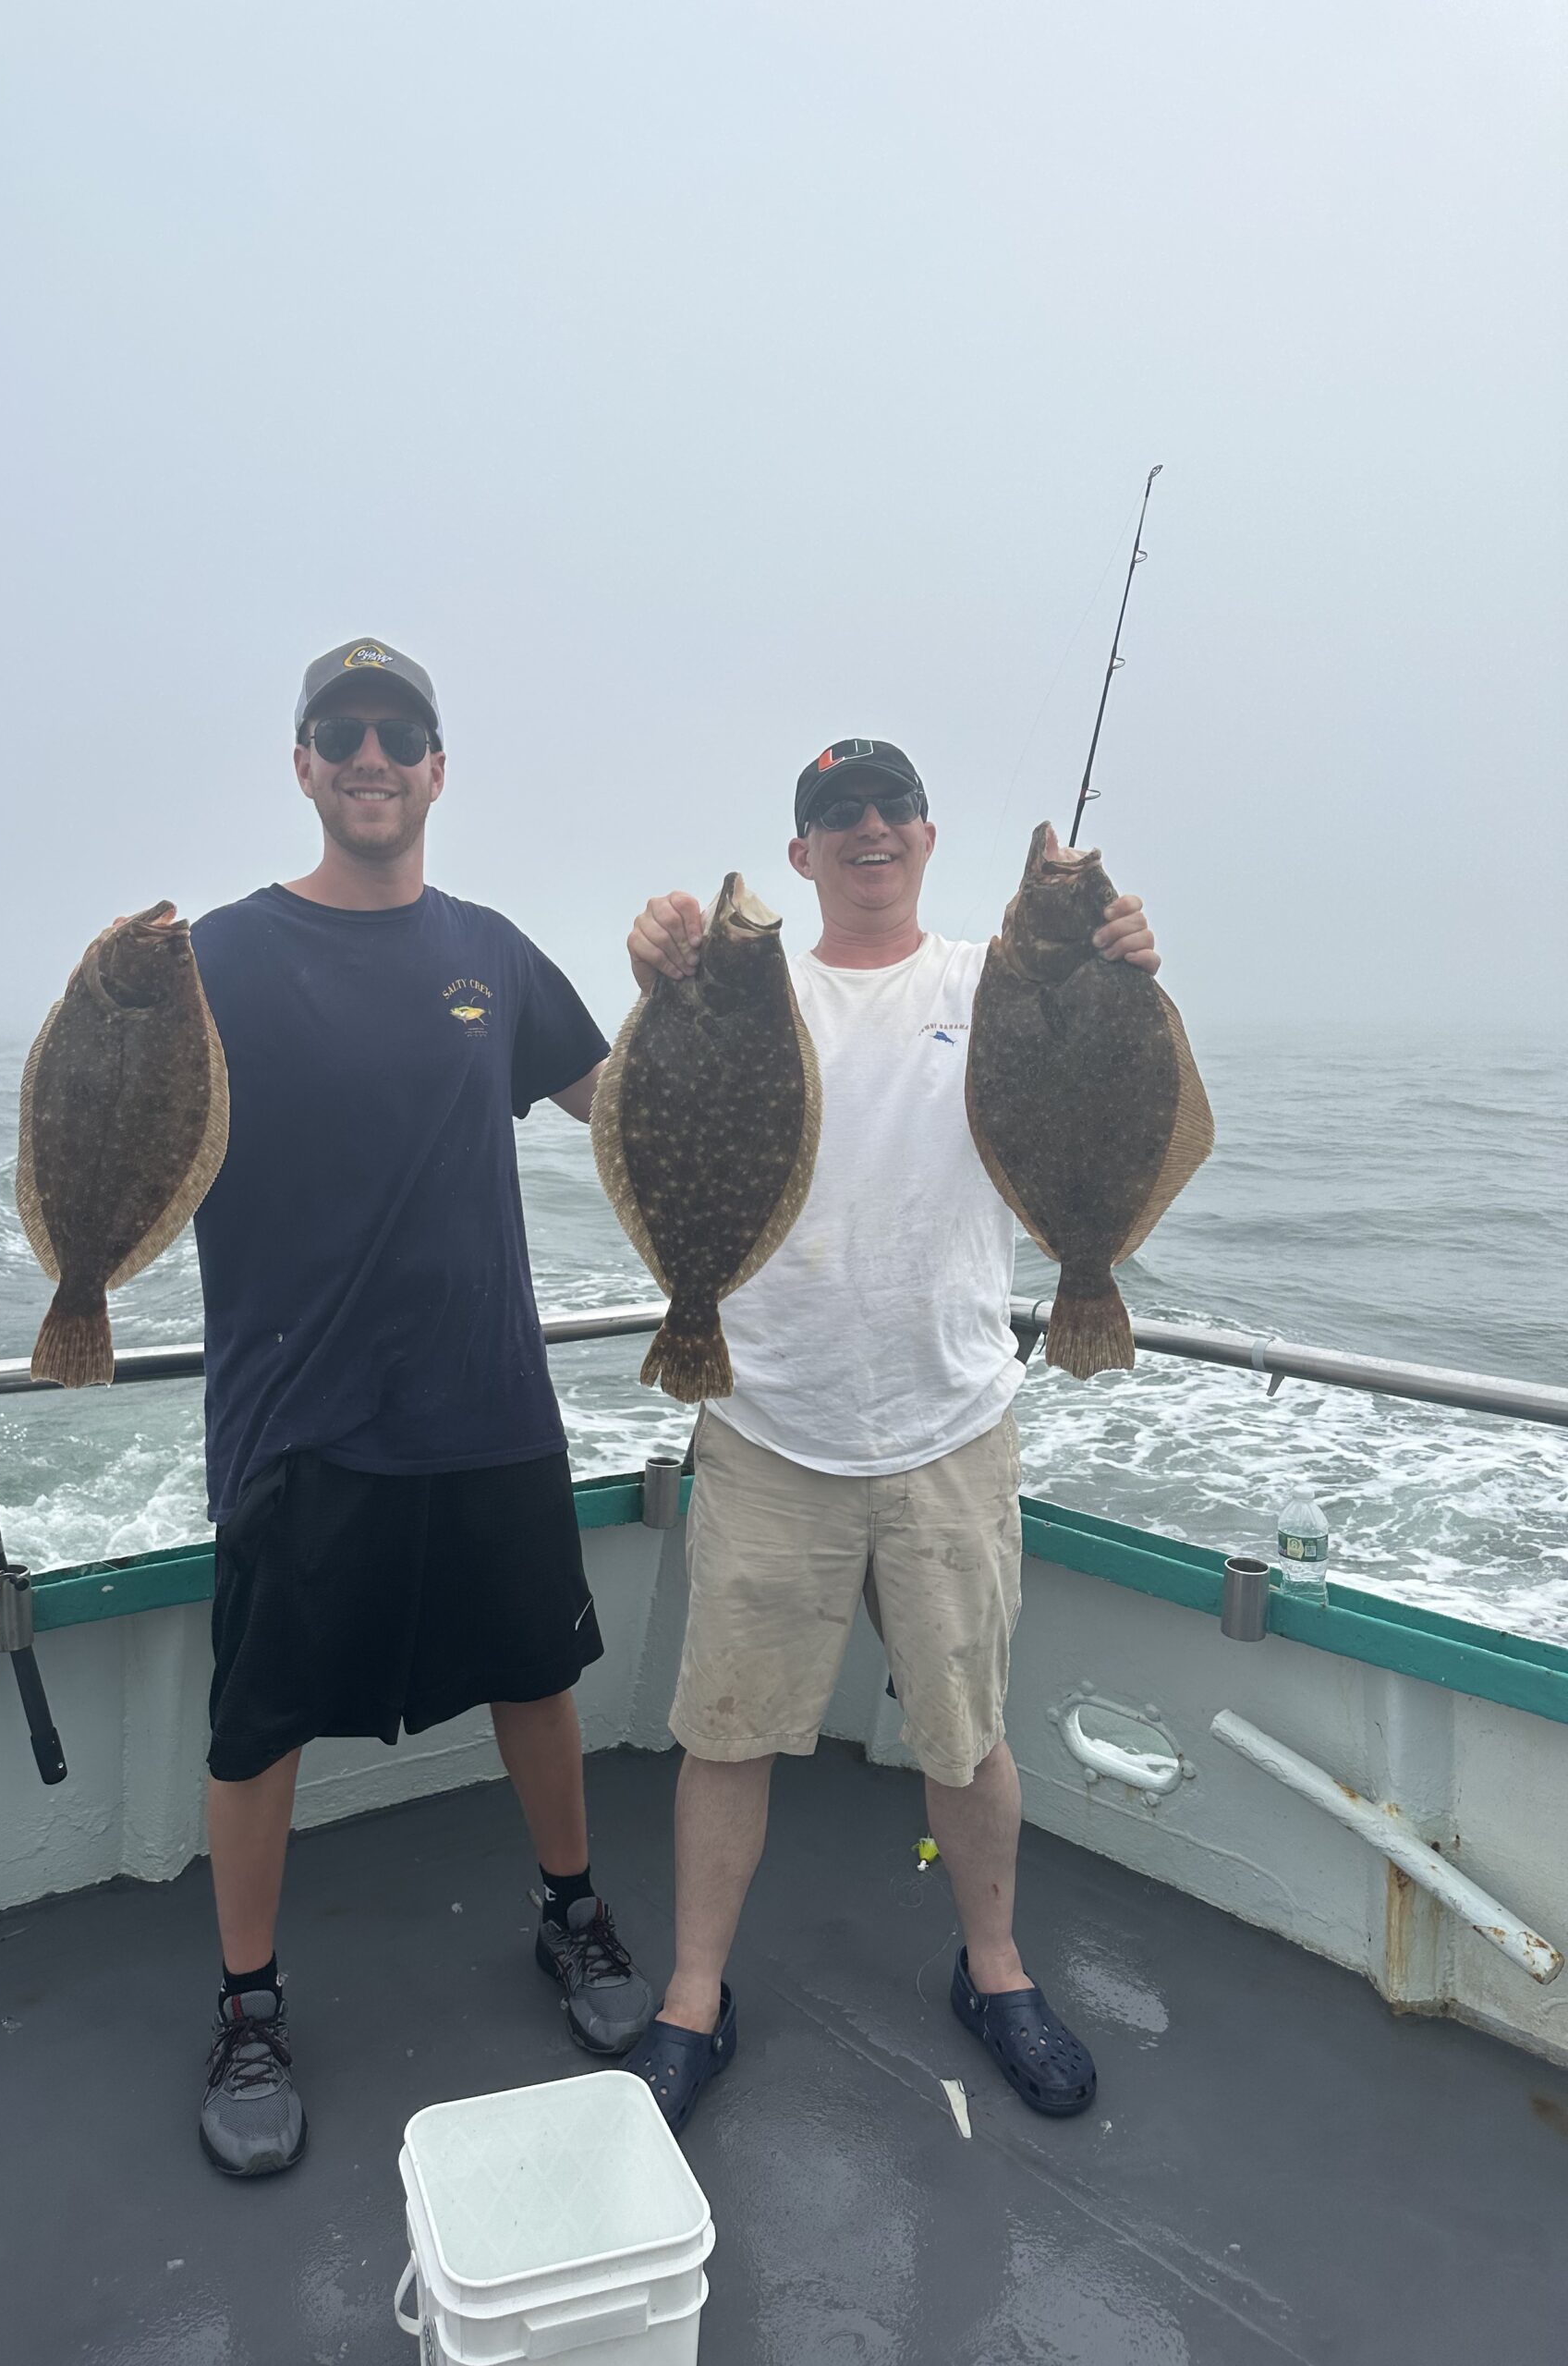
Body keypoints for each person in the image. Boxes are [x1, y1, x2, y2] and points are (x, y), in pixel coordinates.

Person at [618, 738, 1161, 2131]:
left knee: (967, 1737)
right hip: (768, 1425)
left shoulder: (998, 982)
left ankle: (998, 1972)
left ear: (928, 836)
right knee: (725, 1735)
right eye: (832, 815)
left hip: (950, 1427)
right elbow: (653, 1090)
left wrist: (1124, 963)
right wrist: (659, 969)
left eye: (889, 808)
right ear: (800, 855)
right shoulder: (758, 989)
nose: (866, 828)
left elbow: (1114, 1085)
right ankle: (693, 1996)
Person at [187, 638, 651, 2177]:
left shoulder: (494, 956)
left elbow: (633, 1106)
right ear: (305, 766)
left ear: (437, 769)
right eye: (343, 732)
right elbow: (118, 1133)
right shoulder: (216, 961)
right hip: (296, 1419)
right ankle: (248, 2002)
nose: (372, 754)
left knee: (537, 1676)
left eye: (401, 733)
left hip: (485, 1400)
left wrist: (701, 992)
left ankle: (570, 1917)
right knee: (258, 1729)